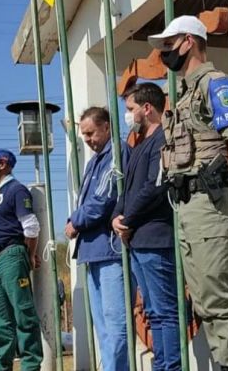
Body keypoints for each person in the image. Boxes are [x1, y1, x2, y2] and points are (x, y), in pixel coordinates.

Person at [148, 15, 228, 371]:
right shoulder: (183, 96)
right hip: (188, 206)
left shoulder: (216, 85)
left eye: (169, 44)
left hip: (210, 203)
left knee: (218, 299)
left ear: (189, 42)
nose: (164, 53)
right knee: (205, 302)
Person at [112, 83, 181, 371]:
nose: (128, 115)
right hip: (137, 240)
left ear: (147, 108)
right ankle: (160, 365)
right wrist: (116, 215)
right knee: (153, 311)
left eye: (130, 109)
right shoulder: (140, 144)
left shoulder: (163, 139)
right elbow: (127, 188)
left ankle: (170, 366)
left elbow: (155, 187)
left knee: (166, 311)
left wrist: (127, 219)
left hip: (155, 237)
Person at [64, 106, 130, 371]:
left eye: (91, 133)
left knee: (116, 324)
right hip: (93, 250)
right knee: (102, 326)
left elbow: (102, 200)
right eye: (83, 135)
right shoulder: (94, 161)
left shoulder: (116, 152)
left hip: (110, 249)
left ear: (106, 127)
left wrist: (75, 221)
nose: (88, 140)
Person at [0, 149, 43, 371]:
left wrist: (29, 254)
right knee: (1, 322)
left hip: (11, 256)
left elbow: (31, 226)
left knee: (24, 314)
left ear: (3, 164)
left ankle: (30, 365)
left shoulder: (16, 190)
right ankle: (0, 367)